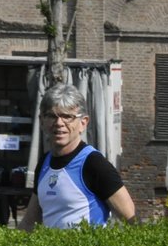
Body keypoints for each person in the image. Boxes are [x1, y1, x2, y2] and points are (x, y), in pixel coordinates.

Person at [18, 83, 136, 229]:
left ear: (83, 123)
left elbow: (132, 220)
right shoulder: (44, 163)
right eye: (51, 116)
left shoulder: (94, 164)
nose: (59, 123)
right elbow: (30, 222)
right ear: (42, 121)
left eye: (67, 116)